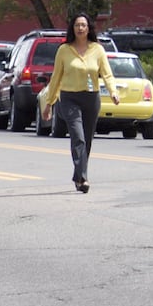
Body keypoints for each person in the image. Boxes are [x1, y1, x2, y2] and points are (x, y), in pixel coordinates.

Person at [40, 13, 118, 194]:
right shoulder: (64, 50)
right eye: (77, 25)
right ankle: (83, 178)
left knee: (87, 140)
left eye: (83, 25)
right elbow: (56, 77)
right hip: (69, 98)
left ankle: (79, 175)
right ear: (72, 28)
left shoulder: (97, 49)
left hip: (91, 98)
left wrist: (113, 92)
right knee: (78, 137)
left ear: (89, 28)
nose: (80, 28)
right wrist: (49, 103)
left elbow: (106, 74)